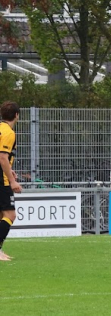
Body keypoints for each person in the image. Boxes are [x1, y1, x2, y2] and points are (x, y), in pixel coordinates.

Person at [0, 101, 20, 262]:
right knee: (10, 215)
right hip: (2, 180)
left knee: (1, 215)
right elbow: (2, 157)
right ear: (16, 115)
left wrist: (9, 169)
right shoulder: (8, 132)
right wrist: (12, 180)